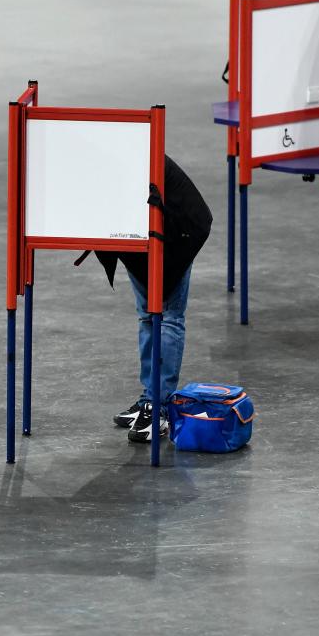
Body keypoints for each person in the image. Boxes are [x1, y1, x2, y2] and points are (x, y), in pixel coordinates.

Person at [93, 156, 212, 442]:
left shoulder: (128, 159)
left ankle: (159, 408)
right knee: (148, 315)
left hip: (176, 233)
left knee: (167, 317)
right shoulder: (104, 169)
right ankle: (150, 398)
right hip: (141, 234)